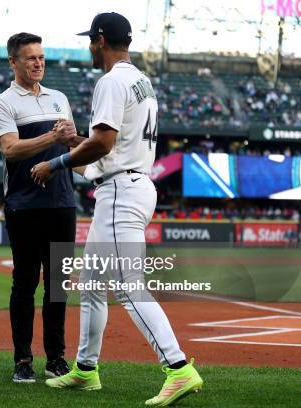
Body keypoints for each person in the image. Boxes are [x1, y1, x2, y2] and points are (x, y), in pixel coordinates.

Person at [31, 13, 203, 405]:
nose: (89, 46)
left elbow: (104, 144)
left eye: (92, 39)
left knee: (128, 286)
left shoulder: (111, 81)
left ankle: (178, 368)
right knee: (92, 286)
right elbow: (110, 141)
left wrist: (54, 162)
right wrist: (71, 139)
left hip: (121, 190)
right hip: (130, 183)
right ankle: (85, 370)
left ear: (103, 39)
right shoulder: (140, 80)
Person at [0, 32, 83, 383]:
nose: (38, 63)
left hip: (62, 202)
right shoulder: (2, 103)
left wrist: (97, 164)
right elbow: (11, 150)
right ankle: (22, 360)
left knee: (58, 285)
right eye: (30, 58)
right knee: (25, 284)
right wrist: (52, 138)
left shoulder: (59, 97)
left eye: (41, 57)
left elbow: (72, 147)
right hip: (25, 205)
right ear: (13, 62)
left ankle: (56, 359)